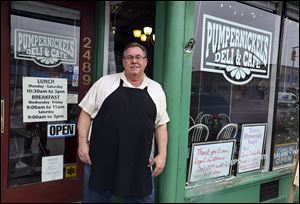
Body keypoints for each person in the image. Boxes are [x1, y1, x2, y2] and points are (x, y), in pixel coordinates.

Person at [77, 42, 169, 203]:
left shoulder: (156, 89)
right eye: (130, 57)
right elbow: (85, 113)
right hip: (101, 159)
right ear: (124, 61)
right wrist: (82, 143)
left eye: (139, 57)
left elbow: (161, 124)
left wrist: (162, 154)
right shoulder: (105, 83)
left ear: (146, 61)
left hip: (139, 162)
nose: (134, 61)